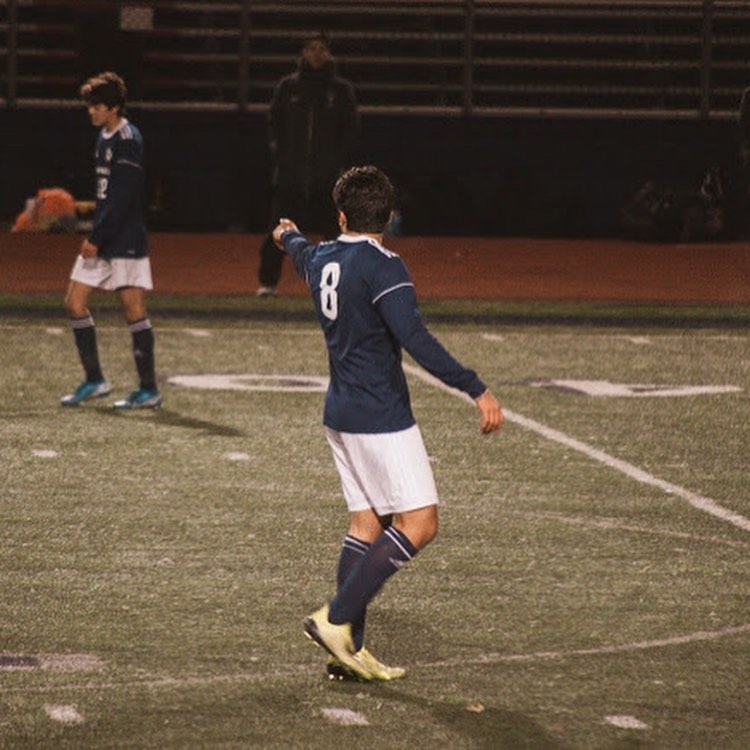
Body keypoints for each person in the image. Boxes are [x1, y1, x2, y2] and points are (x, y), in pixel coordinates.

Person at [272, 166, 503, 681]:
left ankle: (347, 653)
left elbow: (299, 251)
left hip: (340, 415)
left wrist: (286, 235)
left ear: (341, 216)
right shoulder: (384, 267)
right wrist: (475, 387)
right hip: (380, 418)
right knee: (420, 524)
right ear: (390, 216)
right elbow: (415, 339)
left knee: (365, 526)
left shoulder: (322, 257)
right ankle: (334, 620)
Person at [60, 71, 161, 410]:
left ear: (114, 108)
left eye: (97, 106)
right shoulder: (103, 137)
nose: (91, 111)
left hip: (125, 238)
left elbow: (123, 196)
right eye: (90, 106)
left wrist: (97, 236)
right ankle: (95, 380)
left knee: (133, 311)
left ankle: (149, 389)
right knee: (74, 303)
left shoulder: (128, 138)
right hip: (104, 235)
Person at [256, 33, 359, 297]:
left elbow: (349, 130)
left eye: (322, 49)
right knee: (279, 231)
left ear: (329, 54)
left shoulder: (340, 90)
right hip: (291, 175)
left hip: (327, 178)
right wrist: (281, 156)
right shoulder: (288, 87)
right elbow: (274, 124)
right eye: (312, 49)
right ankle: (268, 283)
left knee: (336, 235)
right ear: (303, 53)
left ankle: (342, 286)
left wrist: (338, 163)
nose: (316, 54)